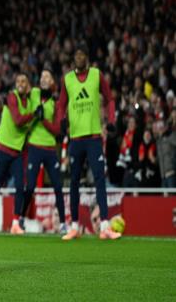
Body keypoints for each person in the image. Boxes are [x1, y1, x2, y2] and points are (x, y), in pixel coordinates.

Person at [57, 42, 121, 240]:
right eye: (76, 54)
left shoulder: (96, 75)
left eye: (82, 54)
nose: (79, 57)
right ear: (73, 58)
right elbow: (61, 105)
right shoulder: (67, 79)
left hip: (93, 137)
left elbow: (110, 99)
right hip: (76, 139)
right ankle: (74, 226)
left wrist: (111, 120)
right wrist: (61, 121)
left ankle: (104, 226)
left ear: (87, 57)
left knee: (100, 180)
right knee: (74, 182)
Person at [0, 73, 38, 235]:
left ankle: (15, 223)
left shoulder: (29, 103)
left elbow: (27, 123)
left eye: (24, 81)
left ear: (28, 85)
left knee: (20, 186)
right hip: (2, 148)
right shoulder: (12, 97)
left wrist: (35, 115)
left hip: (16, 152)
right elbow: (18, 120)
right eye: (18, 80)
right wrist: (34, 115)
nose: (20, 83)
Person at [21, 69, 67, 234]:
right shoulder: (33, 93)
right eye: (42, 76)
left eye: (47, 76)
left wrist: (43, 120)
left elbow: (57, 130)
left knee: (58, 187)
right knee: (30, 186)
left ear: (52, 82)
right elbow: (20, 90)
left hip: (49, 149)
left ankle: (63, 223)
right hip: (34, 147)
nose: (43, 78)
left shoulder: (56, 103)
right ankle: (20, 219)